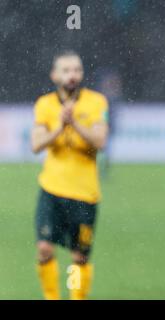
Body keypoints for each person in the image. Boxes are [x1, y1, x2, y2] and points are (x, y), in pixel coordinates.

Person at [31, 51, 109, 300]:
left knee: (79, 257)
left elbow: (101, 141)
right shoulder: (44, 104)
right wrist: (59, 127)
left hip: (85, 194)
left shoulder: (96, 102)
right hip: (51, 189)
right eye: (66, 70)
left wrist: (74, 122)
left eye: (76, 70)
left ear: (82, 74)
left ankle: (76, 298)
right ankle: (52, 297)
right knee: (44, 248)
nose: (72, 75)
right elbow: (36, 145)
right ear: (54, 75)